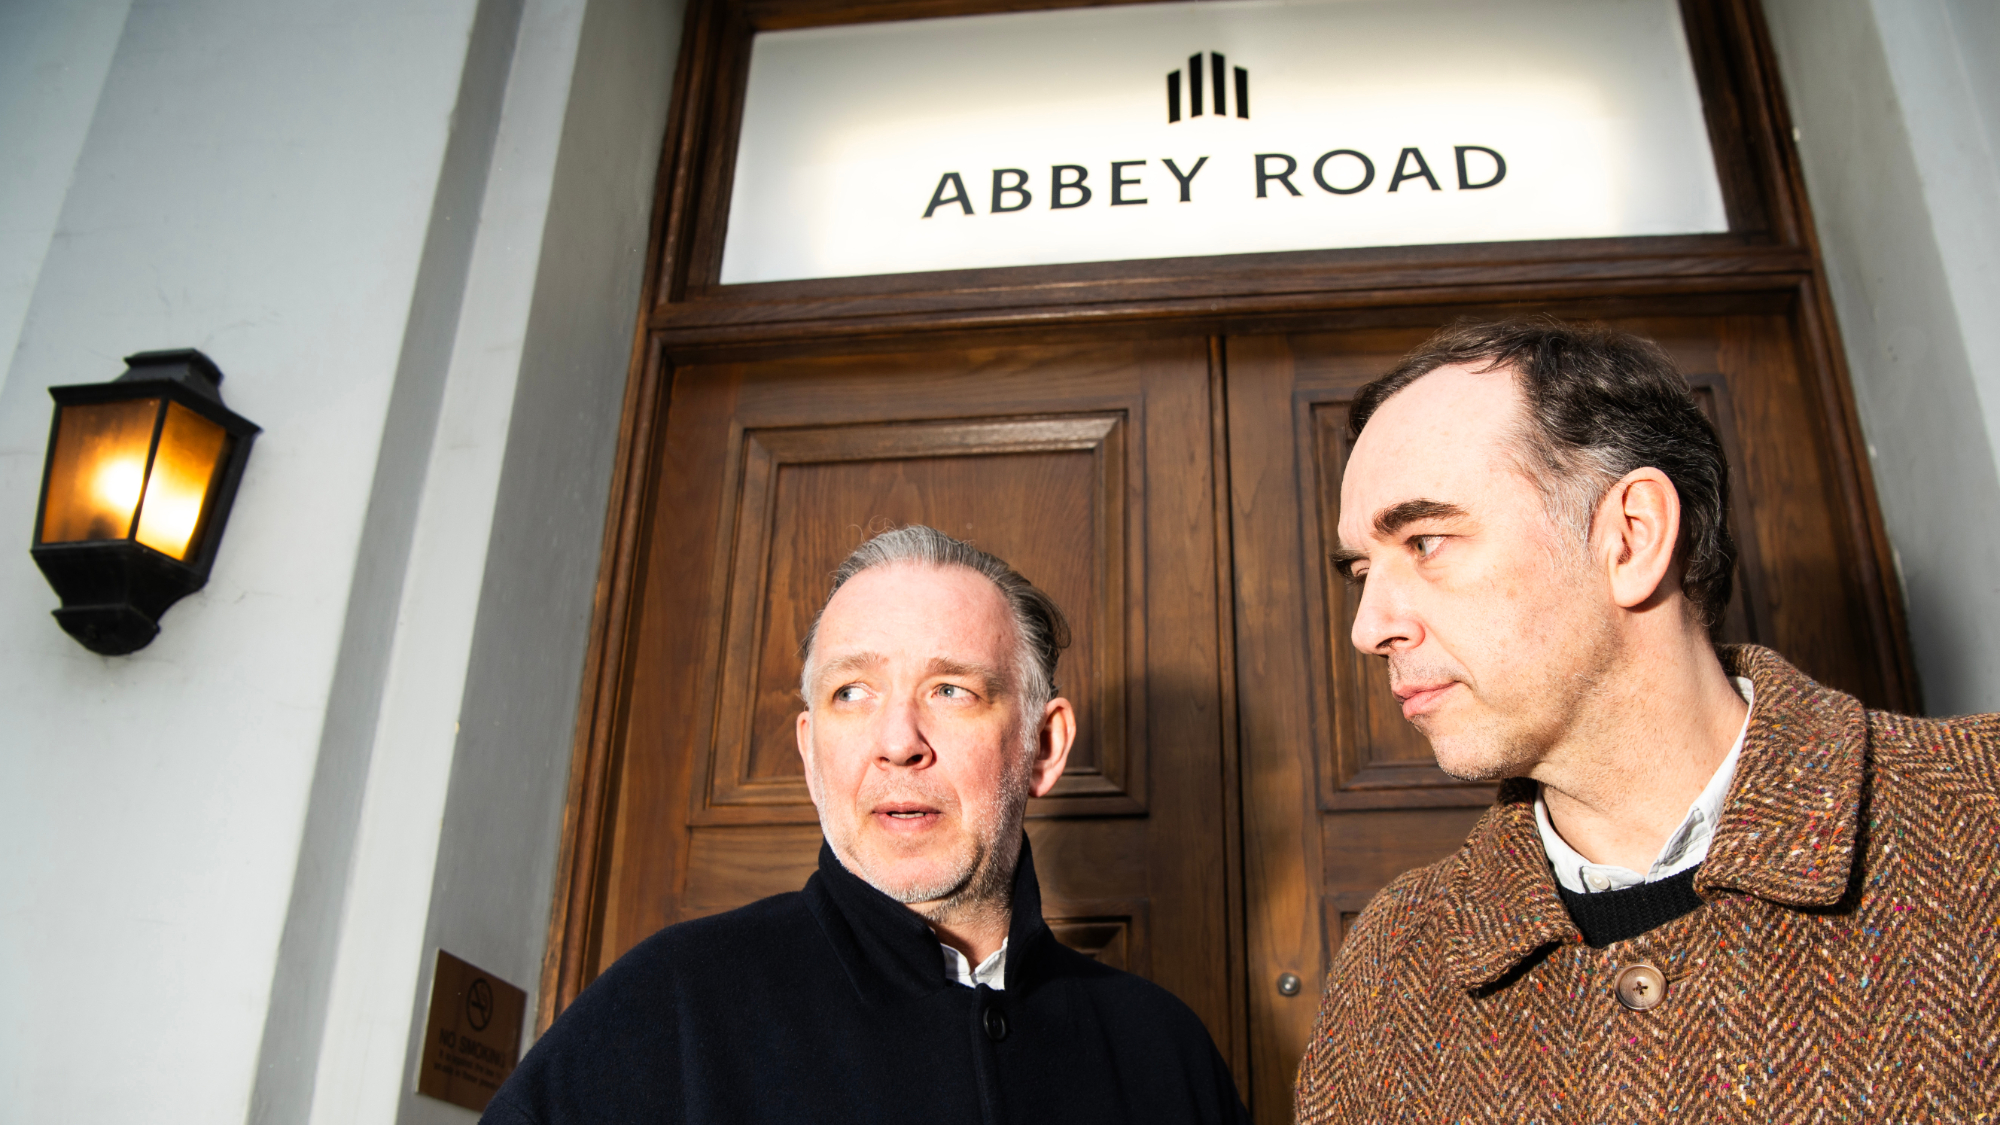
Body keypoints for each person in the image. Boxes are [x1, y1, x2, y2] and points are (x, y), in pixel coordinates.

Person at [1295, 318, 2000, 1121]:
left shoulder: (1981, 816)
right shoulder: (1391, 968)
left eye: (1425, 540)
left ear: (1631, 537)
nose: (1367, 626)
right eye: (1361, 569)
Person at [485, 526, 1250, 1125]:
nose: (897, 741)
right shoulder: (667, 1006)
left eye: (950, 689)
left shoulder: (1165, 1051)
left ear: (1043, 746)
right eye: (853, 692)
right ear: (810, 751)